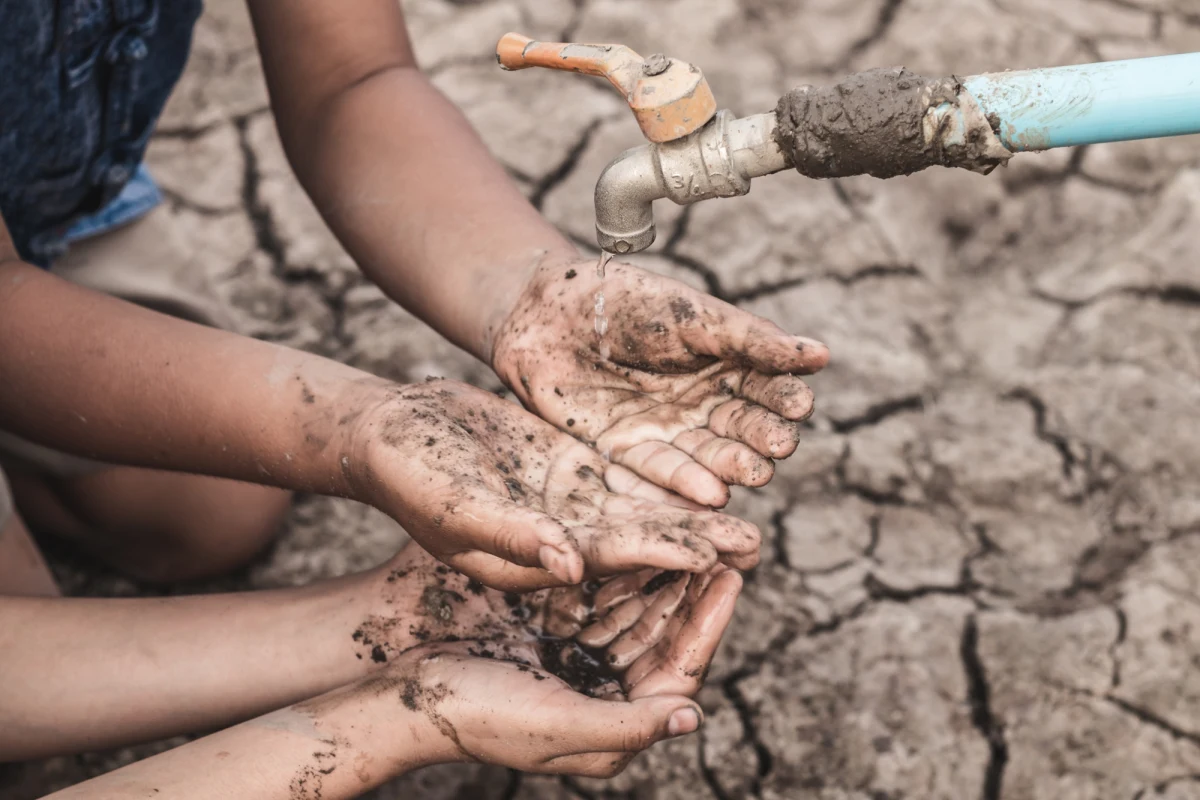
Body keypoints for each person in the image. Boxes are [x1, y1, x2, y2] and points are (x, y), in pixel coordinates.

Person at [0, 0, 830, 789]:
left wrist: (532, 298)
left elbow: (350, 78)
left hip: (58, 205)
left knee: (208, 513)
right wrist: (357, 428)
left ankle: (394, 622)